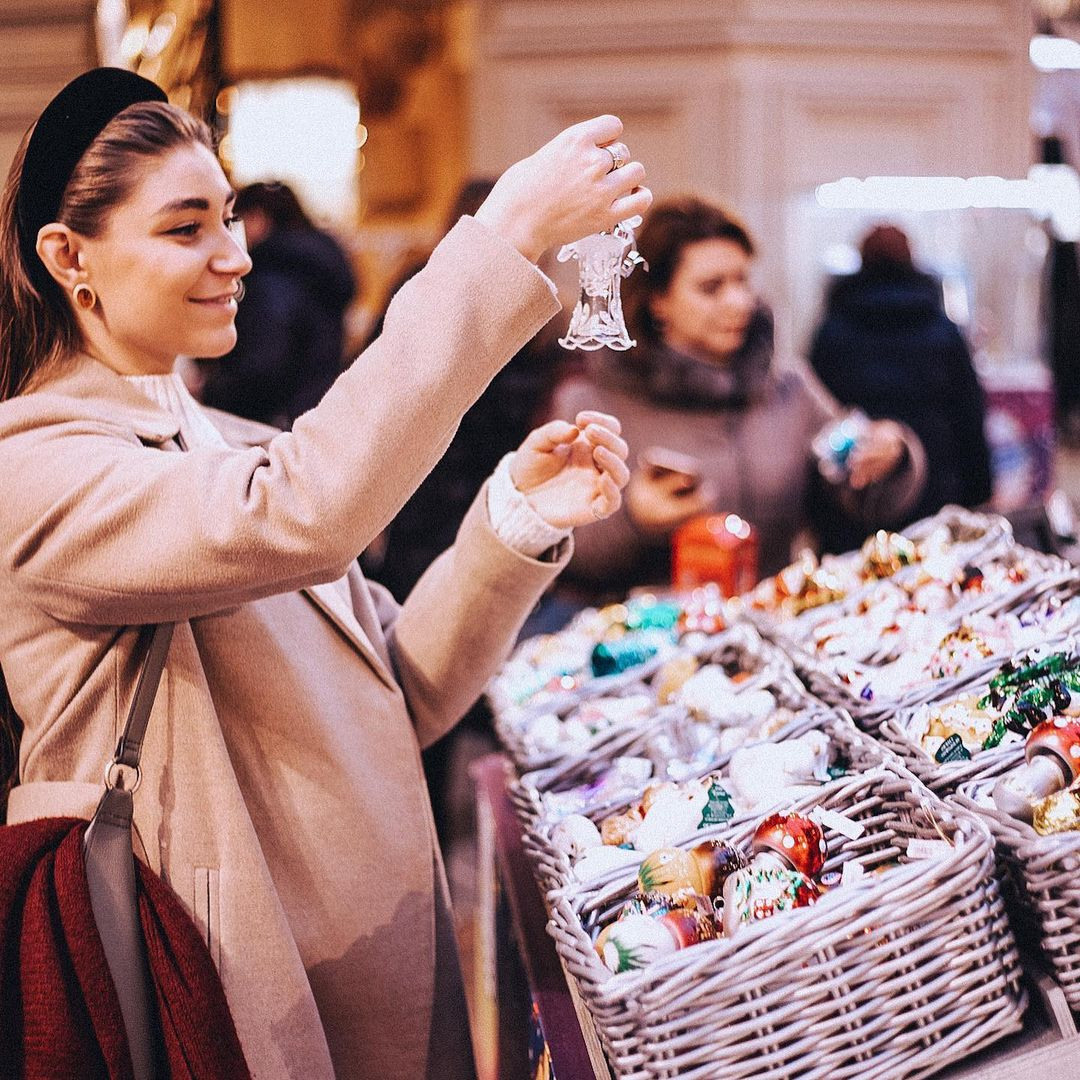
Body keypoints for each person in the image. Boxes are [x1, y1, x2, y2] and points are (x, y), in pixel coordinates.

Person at [0, 67, 649, 1079]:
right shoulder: (34, 470)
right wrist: (501, 240)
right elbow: (309, 510)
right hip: (227, 997)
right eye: (185, 230)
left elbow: (401, 692)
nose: (234, 256)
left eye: (229, 217)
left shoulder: (226, 442)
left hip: (373, 979)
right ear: (68, 257)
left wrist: (512, 522)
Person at [546, 195, 927, 601]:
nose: (738, 301)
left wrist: (892, 457)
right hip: (650, 647)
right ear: (659, 301)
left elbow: (864, 495)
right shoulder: (592, 402)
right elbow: (555, 547)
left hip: (776, 629)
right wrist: (632, 517)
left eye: (742, 281)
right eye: (711, 288)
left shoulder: (789, 387)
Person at [808, 222, 992, 553]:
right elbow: (968, 413)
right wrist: (979, 489)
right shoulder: (942, 330)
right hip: (935, 490)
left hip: (854, 495)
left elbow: (817, 422)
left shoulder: (832, 331)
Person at [195, 180, 358, 428]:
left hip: (278, 422)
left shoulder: (273, 277)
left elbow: (263, 367)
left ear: (258, 218)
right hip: (320, 412)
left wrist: (210, 393)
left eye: (236, 221)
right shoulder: (322, 264)